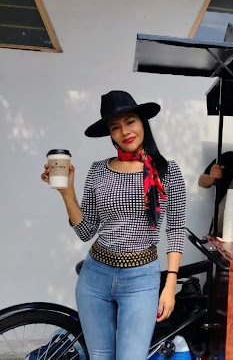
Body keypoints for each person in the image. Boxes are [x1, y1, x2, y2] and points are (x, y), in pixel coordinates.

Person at [41, 90, 186, 360]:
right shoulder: (98, 170)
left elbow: (176, 229)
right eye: (115, 127)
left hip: (141, 278)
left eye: (130, 121)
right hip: (95, 276)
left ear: (142, 122)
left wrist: (170, 285)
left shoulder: (168, 171)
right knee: (99, 356)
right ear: (110, 134)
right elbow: (86, 231)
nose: (124, 132)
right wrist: (66, 193)